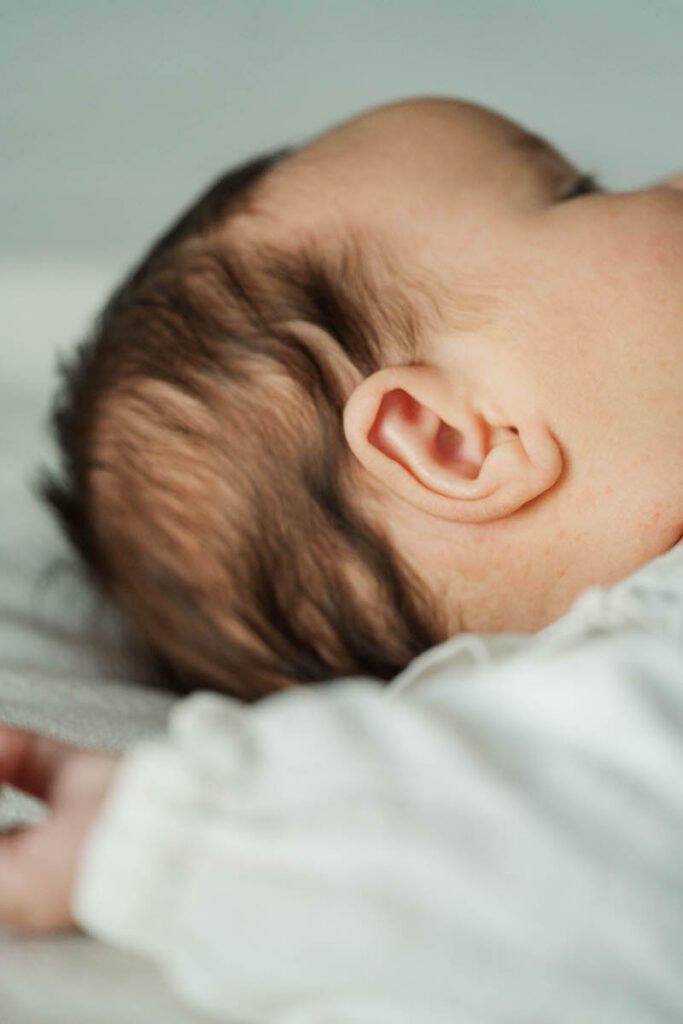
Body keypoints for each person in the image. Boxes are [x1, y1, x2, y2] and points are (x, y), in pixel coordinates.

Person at [0, 96, 682, 1021]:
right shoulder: (605, 699)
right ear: (450, 442)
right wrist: (170, 838)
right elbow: (524, 852)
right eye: (574, 191)